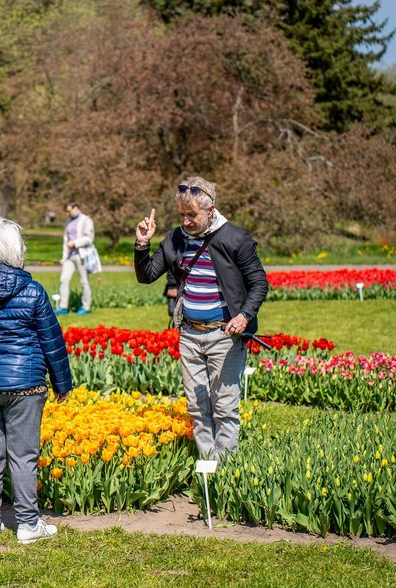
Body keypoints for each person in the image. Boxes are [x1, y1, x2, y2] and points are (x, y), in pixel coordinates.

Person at [0, 218, 73, 544]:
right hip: (24, 383)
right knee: (23, 456)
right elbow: (52, 341)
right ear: (16, 251)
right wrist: (62, 383)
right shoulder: (33, 291)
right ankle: (28, 523)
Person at [133, 176, 268, 464]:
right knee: (196, 406)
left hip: (225, 334)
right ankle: (209, 464)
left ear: (210, 210)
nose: (186, 221)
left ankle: (226, 466)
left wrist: (244, 316)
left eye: (192, 215)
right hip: (190, 335)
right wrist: (142, 244)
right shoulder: (176, 238)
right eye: (182, 215)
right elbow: (147, 275)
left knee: (224, 406)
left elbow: (259, 283)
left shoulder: (235, 238)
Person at [57, 201, 100, 316]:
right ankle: (63, 307)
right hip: (70, 256)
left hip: (82, 255)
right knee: (63, 279)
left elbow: (89, 238)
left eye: (69, 211)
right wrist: (64, 257)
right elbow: (66, 241)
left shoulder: (86, 220)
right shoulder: (68, 222)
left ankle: (86, 307)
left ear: (76, 208)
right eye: (66, 211)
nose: (67, 213)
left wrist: (75, 243)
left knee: (84, 281)